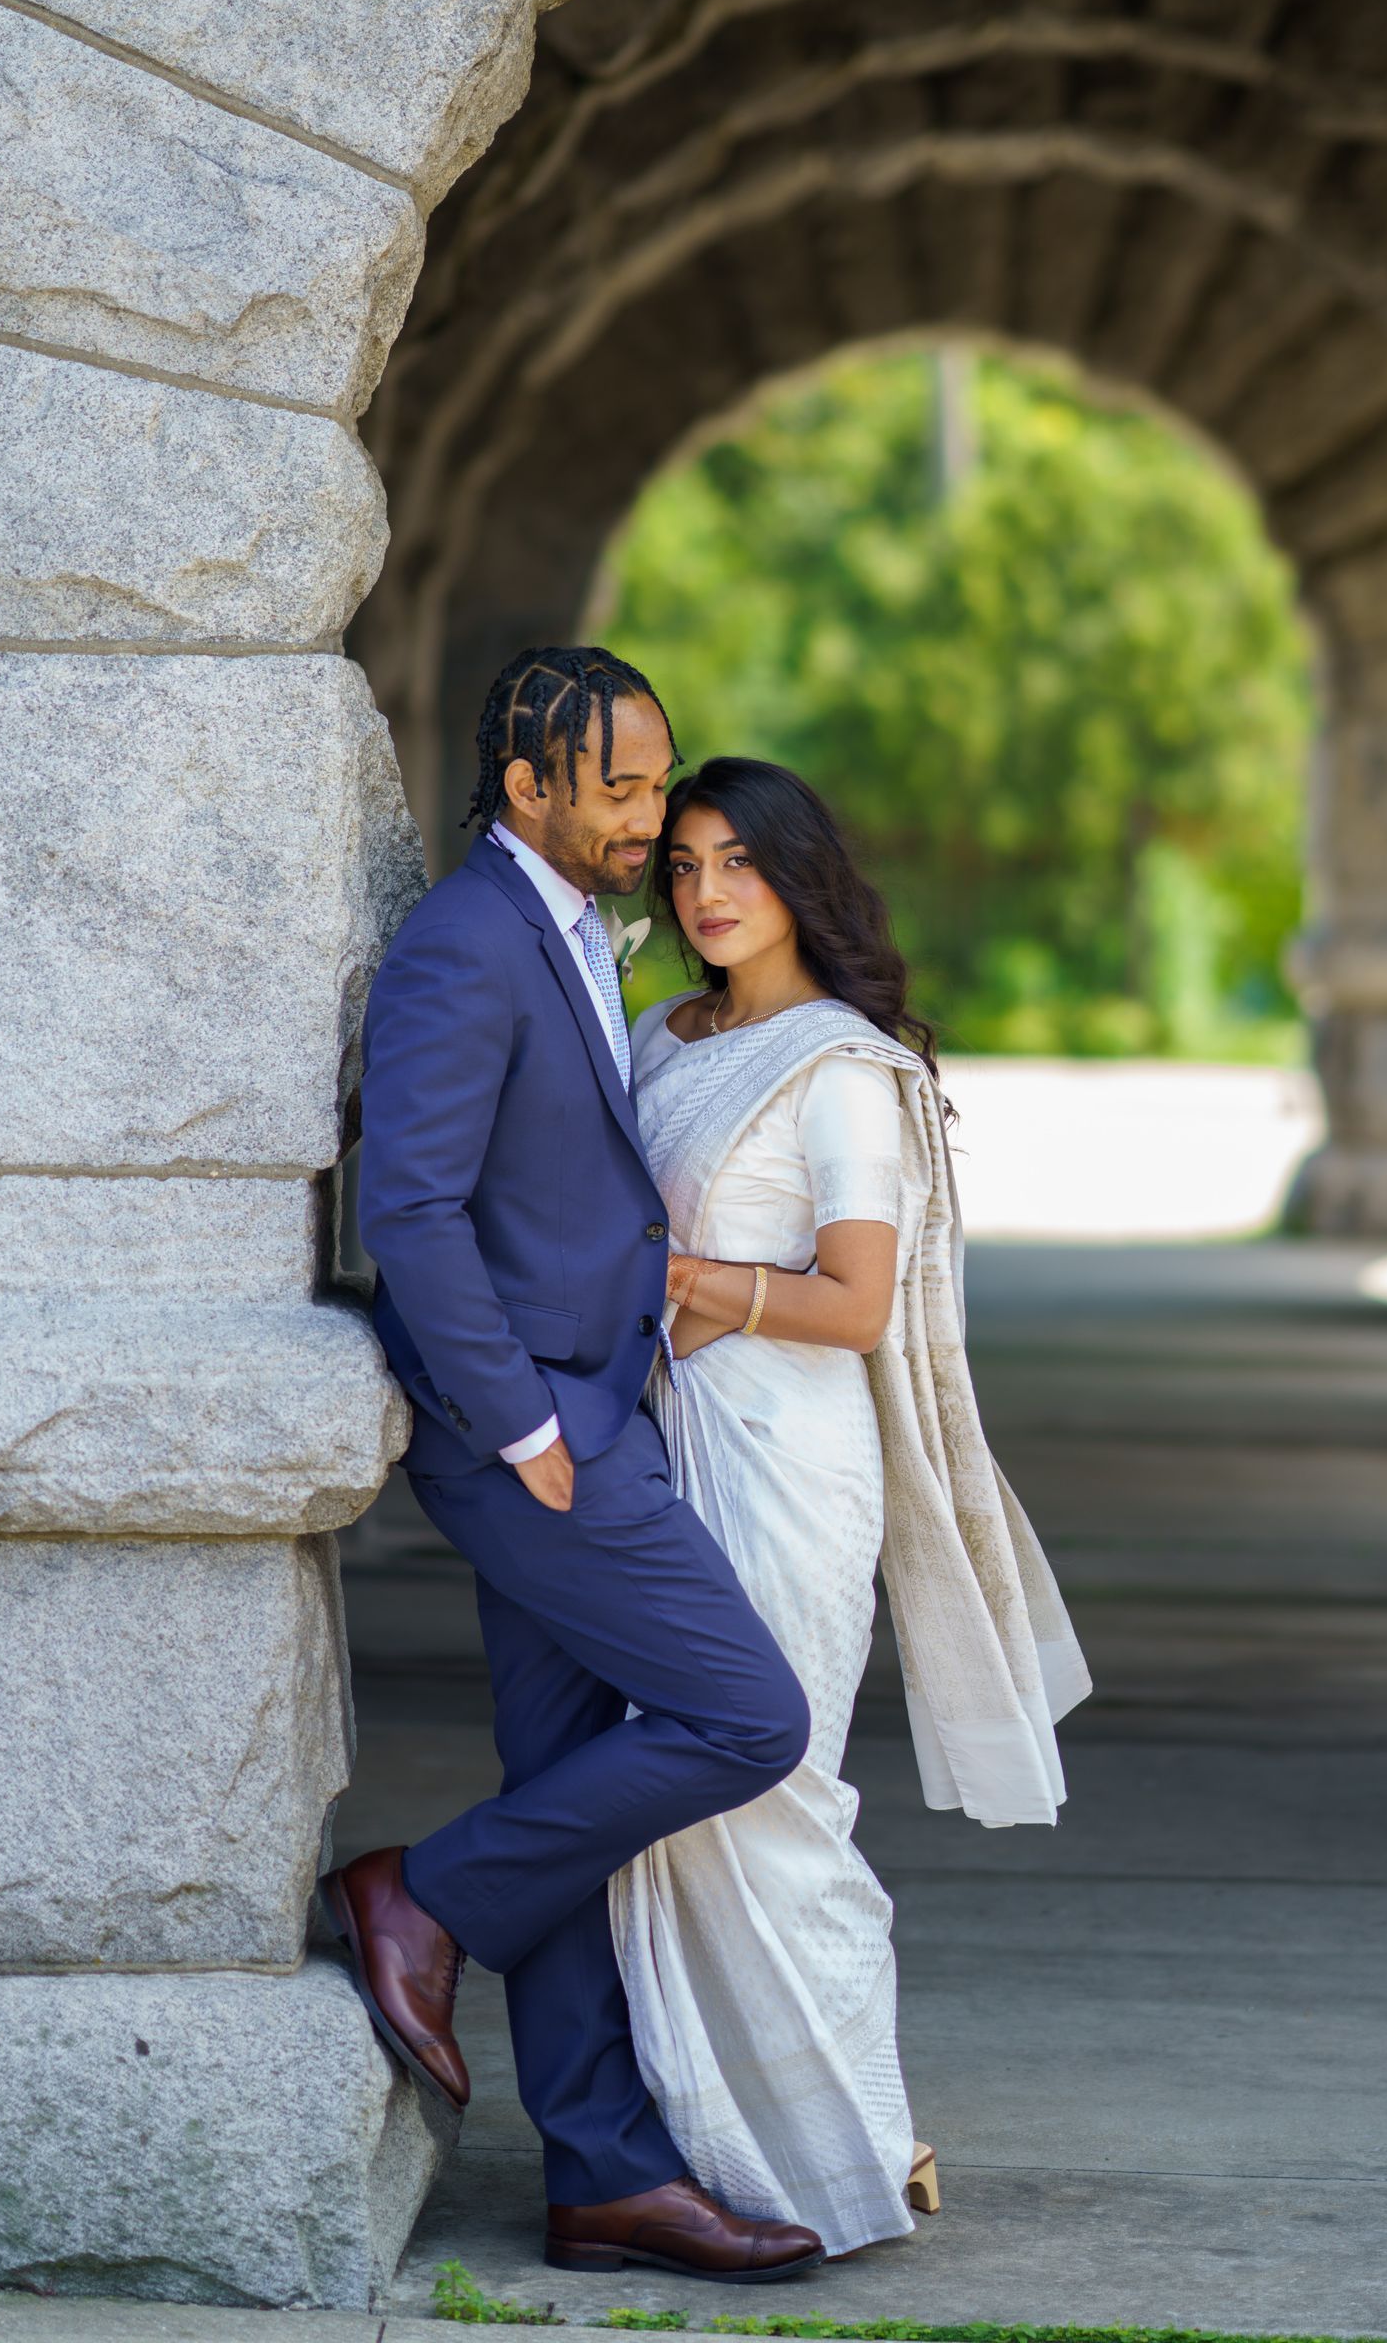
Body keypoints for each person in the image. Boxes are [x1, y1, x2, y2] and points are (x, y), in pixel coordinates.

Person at [322, 650, 825, 2285]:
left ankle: (600, 2172)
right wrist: (529, 1431)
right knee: (748, 1715)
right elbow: (408, 1210)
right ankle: (422, 1893)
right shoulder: (465, 941)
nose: (649, 815)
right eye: (616, 786)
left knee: (570, 1790)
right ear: (524, 787)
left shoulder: (570, 928)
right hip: (533, 1442)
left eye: (655, 777)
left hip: (593, 1408)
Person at [614, 757, 1090, 2258]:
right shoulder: (659, 1038)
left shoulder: (839, 1067)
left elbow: (861, 1299)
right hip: (662, 1448)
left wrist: (696, 1286)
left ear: (798, 875)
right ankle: (713, 2153)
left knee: (773, 1791)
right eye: (682, 863)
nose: (706, 892)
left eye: (738, 861)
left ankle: (851, 2153)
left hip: (788, 1464)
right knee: (665, 1802)